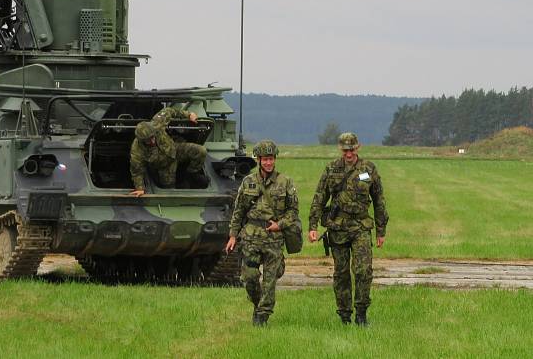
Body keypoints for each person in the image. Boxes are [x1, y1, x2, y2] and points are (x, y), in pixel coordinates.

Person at [308, 132, 388, 326]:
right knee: (341, 273)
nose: (349, 153)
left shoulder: (368, 169)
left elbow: (379, 200)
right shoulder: (332, 169)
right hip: (338, 229)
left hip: (361, 227)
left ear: (357, 148)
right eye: (345, 150)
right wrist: (313, 226)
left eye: (351, 149)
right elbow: (320, 197)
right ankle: (344, 315)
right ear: (340, 149)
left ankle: (361, 314)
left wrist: (381, 230)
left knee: (363, 271)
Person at [225, 140, 299, 326]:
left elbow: (293, 211)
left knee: (269, 281)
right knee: (249, 277)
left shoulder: (285, 182)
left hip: (273, 238)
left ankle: (262, 317)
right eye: (265, 159)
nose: (268, 163)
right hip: (250, 237)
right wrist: (233, 235)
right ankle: (258, 305)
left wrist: (280, 224)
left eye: (271, 159)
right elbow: (238, 211)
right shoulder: (248, 182)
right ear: (258, 160)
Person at [128, 107, 209, 196]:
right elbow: (136, 171)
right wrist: (140, 188)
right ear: (141, 140)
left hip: (175, 150)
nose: (152, 141)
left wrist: (188, 114)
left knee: (201, 151)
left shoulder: (157, 123)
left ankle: (192, 174)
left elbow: (169, 111)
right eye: (148, 140)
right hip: (164, 166)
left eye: (152, 137)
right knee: (169, 191)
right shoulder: (137, 149)